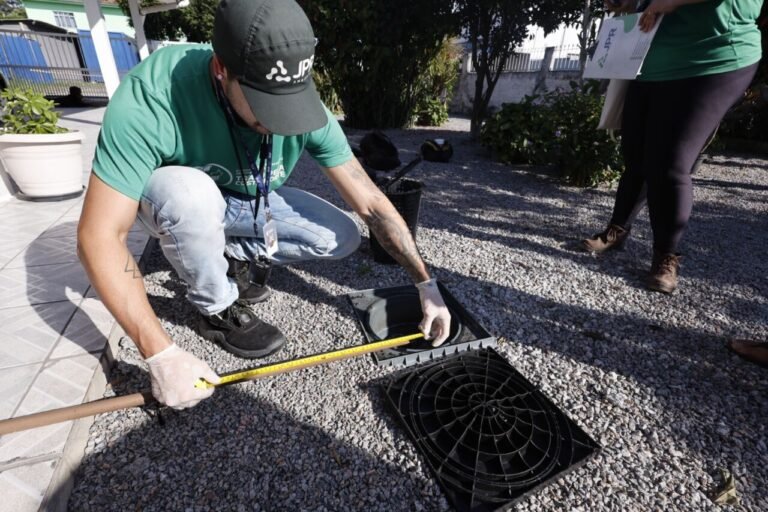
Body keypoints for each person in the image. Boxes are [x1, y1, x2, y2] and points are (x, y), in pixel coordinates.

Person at [76, 0, 451, 410]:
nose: (278, 122)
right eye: (264, 104)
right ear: (221, 70)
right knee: (190, 196)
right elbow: (99, 236)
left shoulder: (307, 109)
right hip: (177, 198)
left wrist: (425, 284)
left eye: (289, 104)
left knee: (340, 236)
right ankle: (216, 308)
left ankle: (226, 248)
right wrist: (160, 352)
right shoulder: (153, 95)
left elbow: (373, 203)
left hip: (247, 198)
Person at [581, 0, 763, 294]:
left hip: (713, 56)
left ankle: (666, 256)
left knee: (669, 161)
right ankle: (618, 230)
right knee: (636, 155)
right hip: (650, 59)